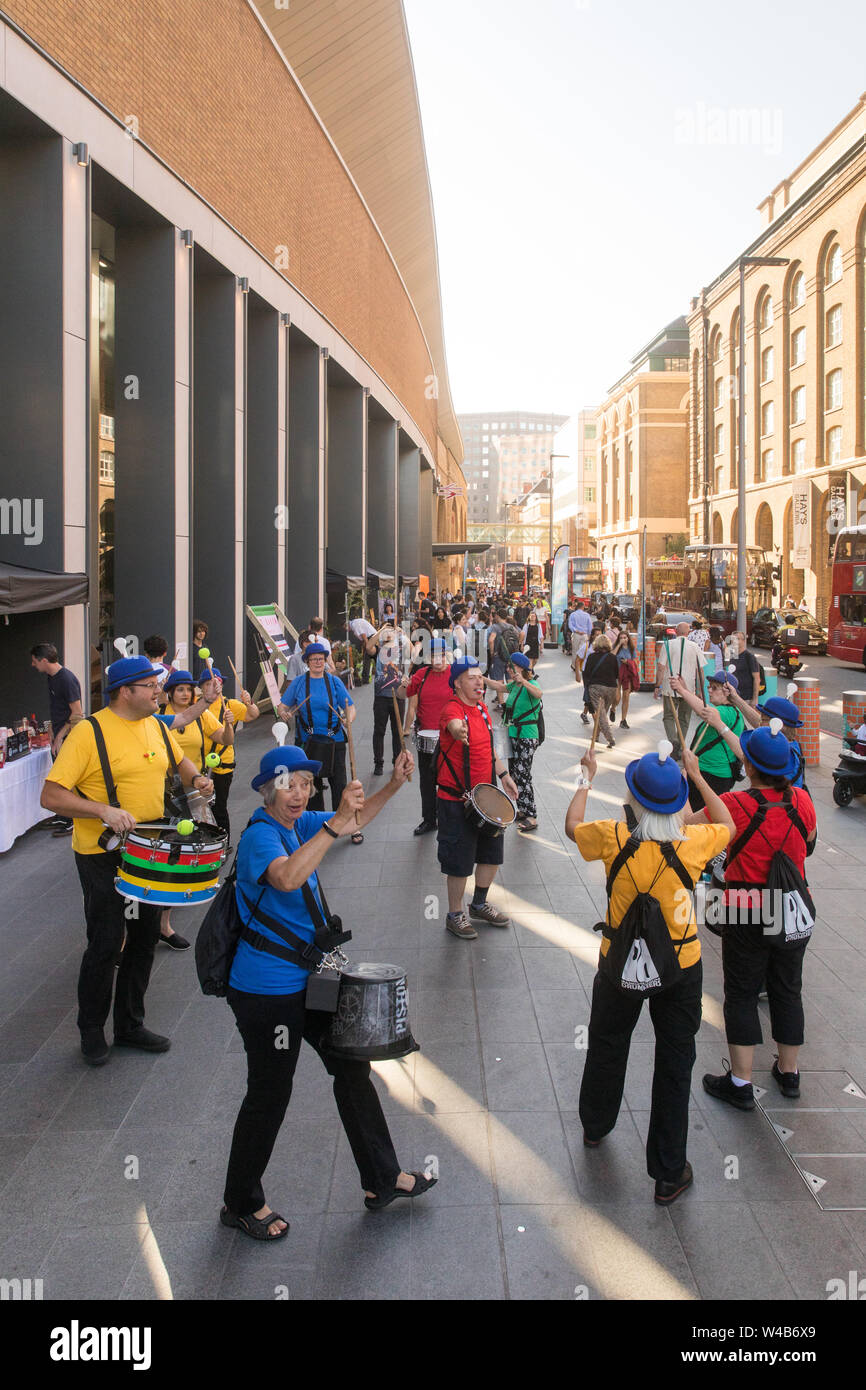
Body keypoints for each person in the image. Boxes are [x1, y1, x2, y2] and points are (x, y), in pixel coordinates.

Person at [221, 742, 436, 1240]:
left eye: (304, 784)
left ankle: (382, 1178)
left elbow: (354, 820)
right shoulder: (260, 836)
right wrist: (335, 823)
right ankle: (239, 1201)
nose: (298, 793)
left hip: (311, 980)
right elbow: (289, 876)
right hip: (266, 991)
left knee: (350, 1065)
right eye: (288, 784)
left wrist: (394, 784)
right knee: (270, 1092)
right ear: (266, 790)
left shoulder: (298, 823)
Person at [565, 740, 733, 1204]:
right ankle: (667, 1172)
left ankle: (596, 1126)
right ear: (679, 801)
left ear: (633, 799)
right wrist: (696, 777)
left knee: (606, 1043)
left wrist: (586, 775)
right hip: (680, 964)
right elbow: (728, 823)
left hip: (617, 960)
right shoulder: (695, 842)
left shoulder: (612, 836)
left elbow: (571, 825)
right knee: (675, 1062)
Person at [40, 655, 214, 1065]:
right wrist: (102, 810)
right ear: (126, 692)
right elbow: (50, 796)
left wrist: (198, 778)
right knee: (105, 942)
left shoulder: (155, 725)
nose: (160, 692)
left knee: (143, 939)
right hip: (102, 854)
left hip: (149, 848)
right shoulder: (89, 732)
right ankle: (91, 1030)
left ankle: (130, 1025)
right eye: (152, 686)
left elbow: (179, 760)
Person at [688, 722, 817, 1109]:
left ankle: (741, 1083)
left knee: (742, 993)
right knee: (787, 988)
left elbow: (687, 824)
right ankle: (789, 1072)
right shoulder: (803, 801)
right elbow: (808, 846)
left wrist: (693, 775)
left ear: (750, 765)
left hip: (746, 909)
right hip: (793, 908)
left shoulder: (736, 805)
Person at [435, 656, 519, 939]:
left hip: (486, 797)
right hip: (456, 799)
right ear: (457, 683)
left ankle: (479, 903)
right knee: (459, 862)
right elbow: (454, 725)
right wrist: (459, 731)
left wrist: (504, 775)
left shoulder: (483, 709)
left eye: (480, 677)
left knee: (491, 855)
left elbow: (490, 751)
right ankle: (454, 914)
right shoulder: (451, 709)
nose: (479, 682)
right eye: (471, 677)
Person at [158, 669, 236, 950]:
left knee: (191, 843)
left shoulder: (200, 713)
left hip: (193, 785)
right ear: (168, 692)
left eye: (188, 689)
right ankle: (152, 921)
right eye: (179, 689)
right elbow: (181, 719)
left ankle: (165, 919)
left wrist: (229, 723)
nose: (184, 693)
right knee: (163, 850)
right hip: (161, 789)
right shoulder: (158, 716)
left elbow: (226, 740)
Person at [280, 643, 361, 841]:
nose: (318, 662)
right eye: (314, 659)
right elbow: (282, 706)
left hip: (335, 741)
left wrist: (348, 719)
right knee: (312, 787)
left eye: (321, 659)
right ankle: (319, 827)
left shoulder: (334, 682)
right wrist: (284, 713)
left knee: (340, 785)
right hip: (308, 743)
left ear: (325, 661)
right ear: (307, 661)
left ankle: (347, 824)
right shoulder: (299, 683)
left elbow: (350, 707)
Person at [198, 666, 261, 845]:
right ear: (201, 687)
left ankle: (223, 843)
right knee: (198, 808)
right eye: (208, 684)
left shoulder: (230, 704)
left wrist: (249, 703)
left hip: (222, 763)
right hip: (198, 764)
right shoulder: (196, 704)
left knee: (218, 806)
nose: (213, 687)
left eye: (216, 683)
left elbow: (252, 715)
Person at [670, 668, 746, 810]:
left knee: (698, 817)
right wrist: (686, 690)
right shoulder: (727, 711)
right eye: (709, 687)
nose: (709, 690)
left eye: (714, 688)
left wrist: (682, 690)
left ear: (728, 692)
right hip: (708, 773)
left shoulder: (727, 711)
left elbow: (704, 711)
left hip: (712, 775)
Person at [484, 652, 542, 831]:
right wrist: (482, 678)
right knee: (515, 773)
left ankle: (531, 815)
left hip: (527, 735)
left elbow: (539, 694)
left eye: (511, 666)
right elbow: (498, 686)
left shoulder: (530, 683)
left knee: (523, 773)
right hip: (514, 735)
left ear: (521, 668)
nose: (508, 669)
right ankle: (523, 810)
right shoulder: (513, 686)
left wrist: (523, 681)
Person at [30, 642, 83, 837]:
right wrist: (52, 730)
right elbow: (58, 707)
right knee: (59, 777)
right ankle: (63, 815)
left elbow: (77, 713)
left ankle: (73, 820)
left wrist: (61, 736)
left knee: (67, 779)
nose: (33, 665)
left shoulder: (66, 679)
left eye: (35, 661)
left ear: (44, 660)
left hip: (68, 736)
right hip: (59, 734)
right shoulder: (51, 678)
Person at [401, 637, 452, 835]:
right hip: (426, 738)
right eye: (433, 654)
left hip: (450, 737)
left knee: (448, 781)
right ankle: (429, 819)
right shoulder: (421, 674)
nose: (437, 658)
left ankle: (448, 819)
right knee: (427, 782)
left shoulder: (455, 675)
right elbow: (401, 695)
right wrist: (403, 685)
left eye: (440, 654)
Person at [365, 623, 411, 776]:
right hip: (381, 697)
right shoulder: (377, 651)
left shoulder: (400, 649)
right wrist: (381, 630)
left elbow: (412, 650)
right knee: (379, 730)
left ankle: (396, 761)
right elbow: (368, 646)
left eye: (391, 632)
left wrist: (403, 633)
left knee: (397, 731)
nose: (389, 634)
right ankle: (378, 762)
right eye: (387, 633)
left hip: (398, 695)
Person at [654, 623, 703, 759]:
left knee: (669, 716)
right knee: (684, 718)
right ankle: (680, 746)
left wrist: (657, 686)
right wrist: (699, 691)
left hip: (670, 687)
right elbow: (700, 671)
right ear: (689, 632)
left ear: (676, 631)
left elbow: (661, 667)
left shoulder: (668, 644)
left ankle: (673, 741)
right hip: (689, 689)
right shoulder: (695, 646)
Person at [582, 634, 619, 749]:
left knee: (600, 714)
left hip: (596, 687)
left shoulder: (592, 657)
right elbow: (617, 674)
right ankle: (595, 736)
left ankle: (610, 738)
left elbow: (586, 673)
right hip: (611, 688)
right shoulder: (613, 657)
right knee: (603, 713)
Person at [613, 621, 640, 729]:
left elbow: (635, 661)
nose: (624, 639)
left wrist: (628, 662)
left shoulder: (631, 649)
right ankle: (613, 708)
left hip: (627, 675)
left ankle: (623, 719)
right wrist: (619, 644)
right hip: (616, 673)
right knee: (616, 698)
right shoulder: (617, 647)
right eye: (621, 637)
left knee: (626, 697)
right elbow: (612, 655)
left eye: (625, 637)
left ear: (628, 638)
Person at [725, 631, 761, 707]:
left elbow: (757, 678)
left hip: (745, 697)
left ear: (744, 641)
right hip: (732, 696)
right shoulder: (731, 655)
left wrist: (755, 698)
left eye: (738, 639)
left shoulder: (749, 656)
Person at [348, 611, 377, 684]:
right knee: (371, 657)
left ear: (346, 625)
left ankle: (365, 678)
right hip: (372, 637)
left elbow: (363, 634)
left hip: (370, 637)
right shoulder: (355, 622)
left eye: (345, 628)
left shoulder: (354, 624)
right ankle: (366, 678)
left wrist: (367, 645)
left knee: (367, 658)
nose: (346, 630)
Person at [570, 602, 594, 684]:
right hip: (584, 635)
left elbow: (570, 625)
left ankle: (574, 665)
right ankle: (582, 665)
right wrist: (589, 635)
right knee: (584, 650)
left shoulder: (573, 614)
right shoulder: (587, 615)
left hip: (576, 634)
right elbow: (590, 626)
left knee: (575, 650)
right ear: (583, 607)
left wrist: (576, 630)